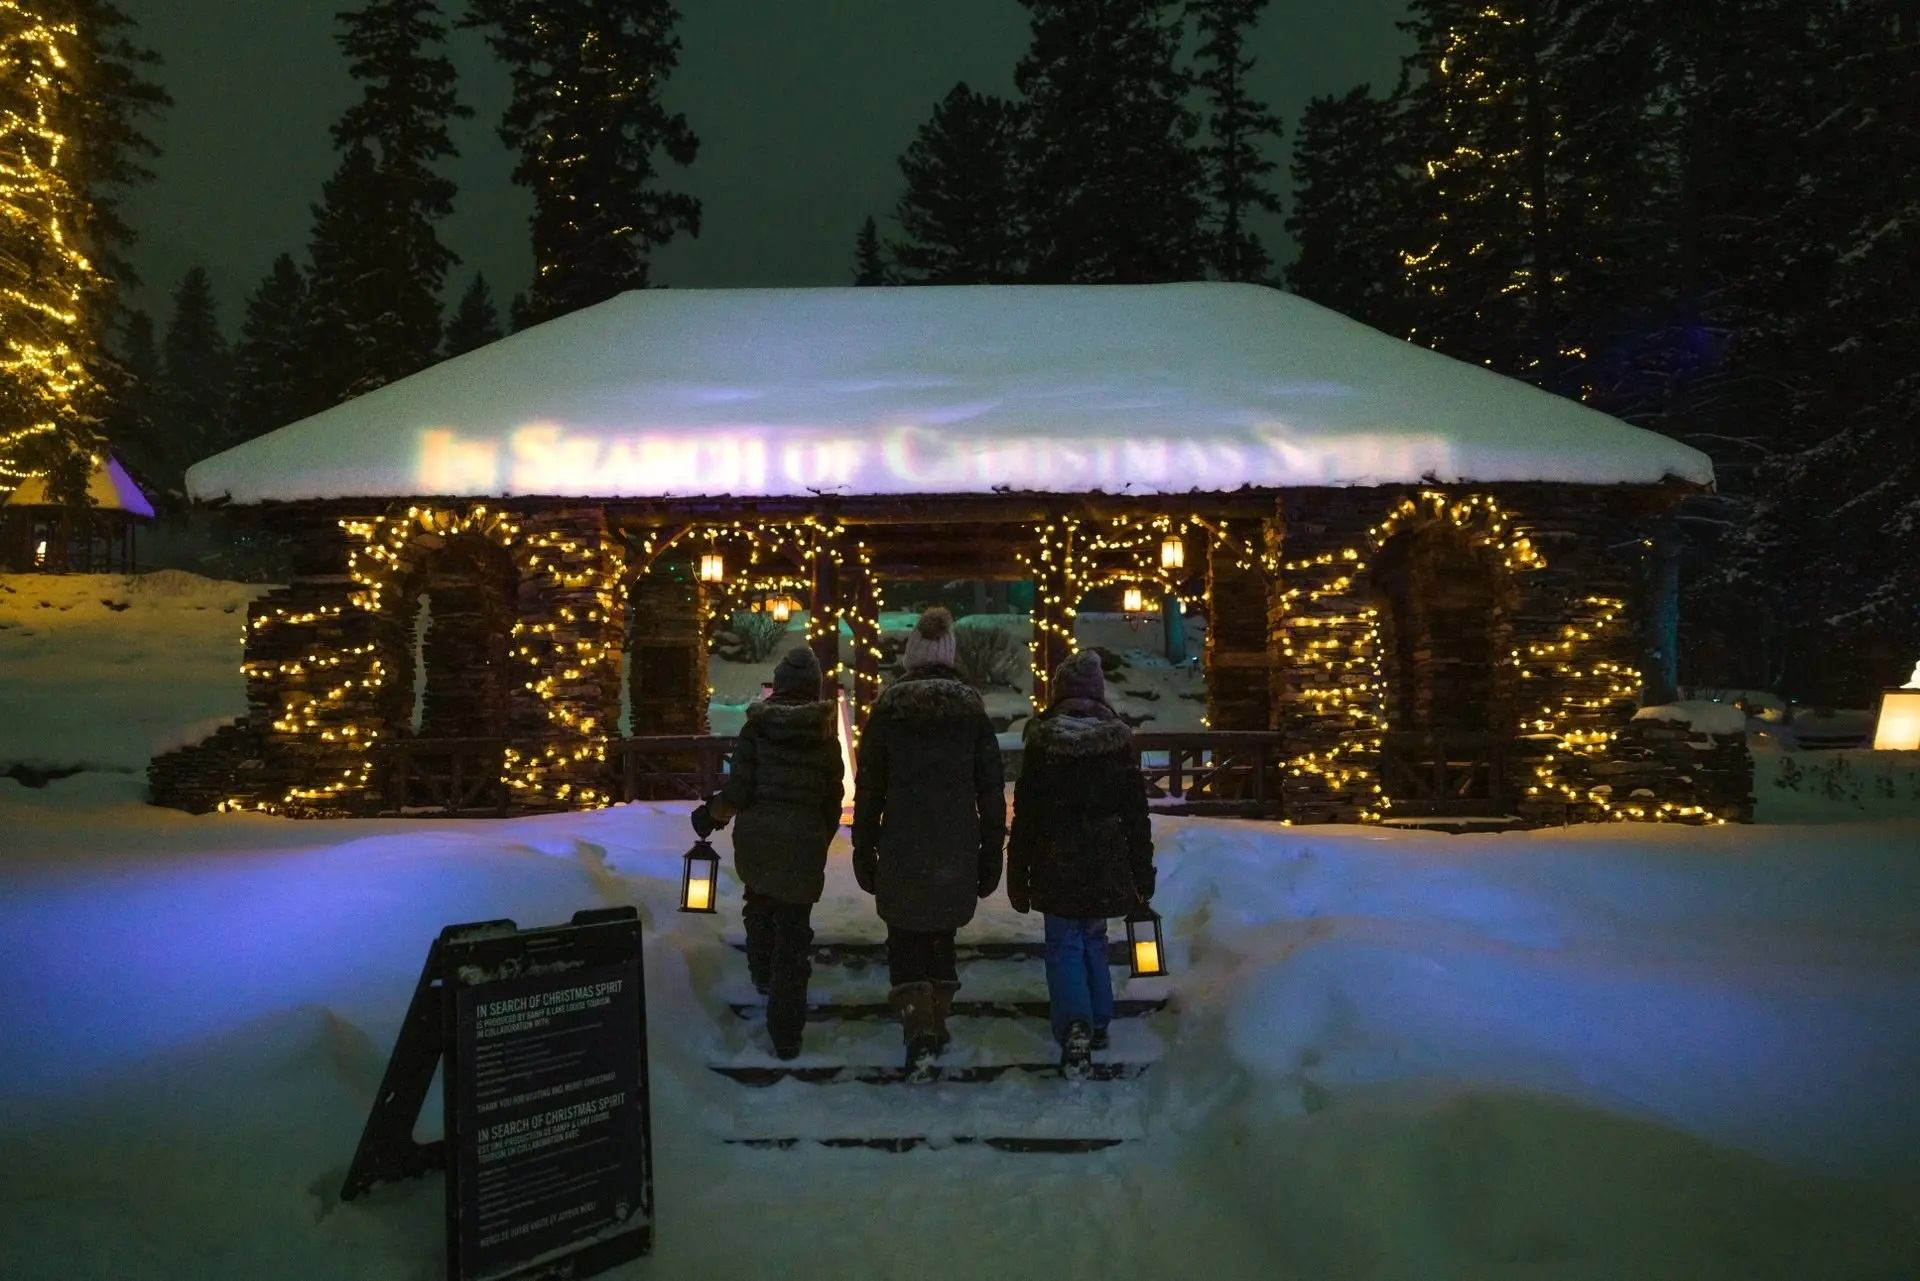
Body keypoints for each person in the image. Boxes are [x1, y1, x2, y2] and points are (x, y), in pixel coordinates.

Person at [851, 606, 1005, 1079]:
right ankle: (936, 1016)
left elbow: (870, 789)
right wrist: (991, 849)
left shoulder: (888, 712)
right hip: (955, 843)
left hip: (901, 841)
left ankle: (918, 1022)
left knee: (904, 931)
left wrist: (863, 845)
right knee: (942, 931)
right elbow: (991, 789)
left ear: (910, 657)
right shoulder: (972, 714)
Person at [1006, 649, 1154, 1080]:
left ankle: (1075, 1020)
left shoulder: (1044, 741)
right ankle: (1100, 1018)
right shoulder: (1117, 742)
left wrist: (1018, 874)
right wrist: (1142, 872)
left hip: (1056, 857)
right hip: (1105, 857)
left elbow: (1027, 814)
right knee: (1093, 937)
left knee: (1064, 941)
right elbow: (1135, 814)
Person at [692, 646, 844, 1060]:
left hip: (757, 839)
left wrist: (712, 814)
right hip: (803, 843)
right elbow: (834, 799)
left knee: (759, 905)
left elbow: (739, 790)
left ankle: (761, 973)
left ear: (777, 686)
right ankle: (787, 1033)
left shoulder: (756, 731)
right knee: (794, 934)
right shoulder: (825, 739)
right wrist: (818, 834)